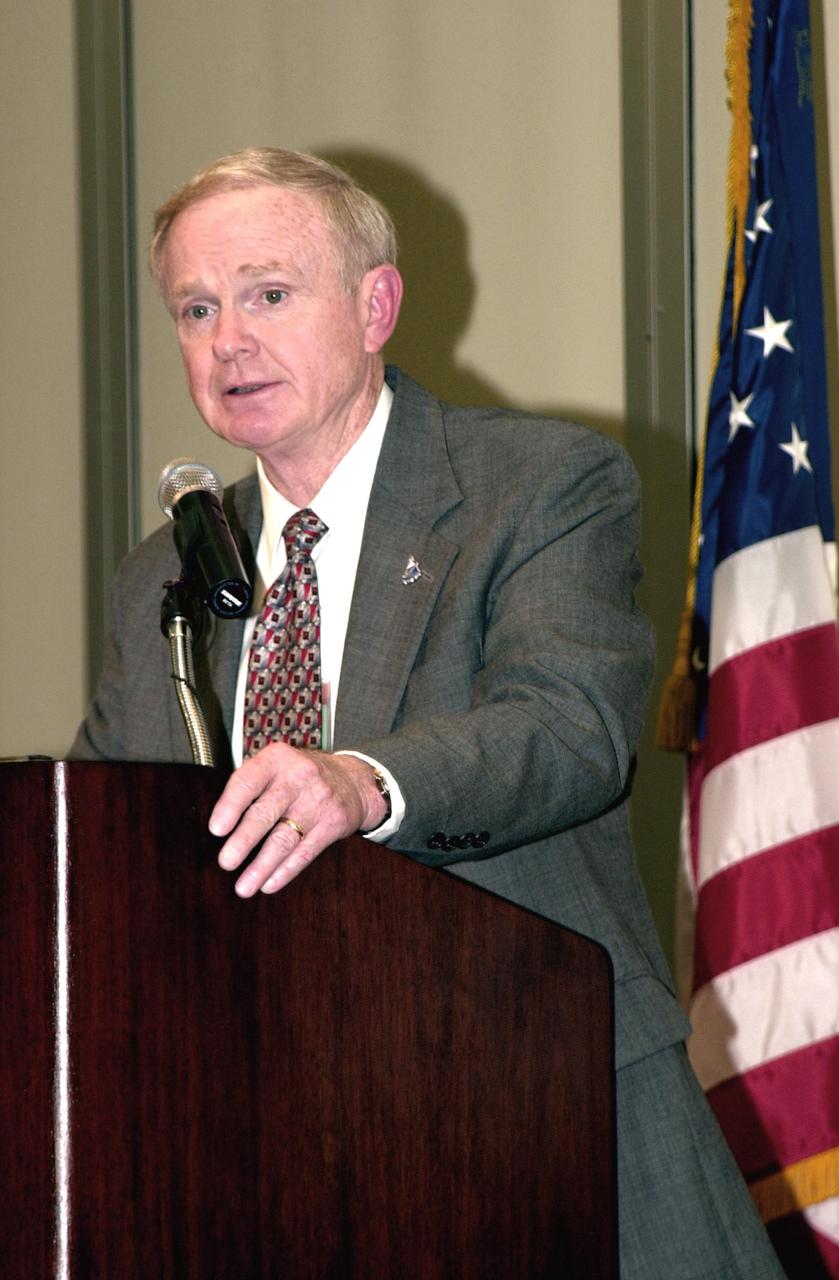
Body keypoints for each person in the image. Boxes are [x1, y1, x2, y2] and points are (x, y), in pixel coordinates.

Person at [71, 147, 783, 1278]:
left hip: (536, 1104)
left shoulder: (539, 485)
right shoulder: (161, 575)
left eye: (266, 293)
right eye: (195, 309)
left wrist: (357, 781)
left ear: (375, 304)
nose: (227, 340)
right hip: (260, 1151)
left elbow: (570, 729)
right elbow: (101, 843)